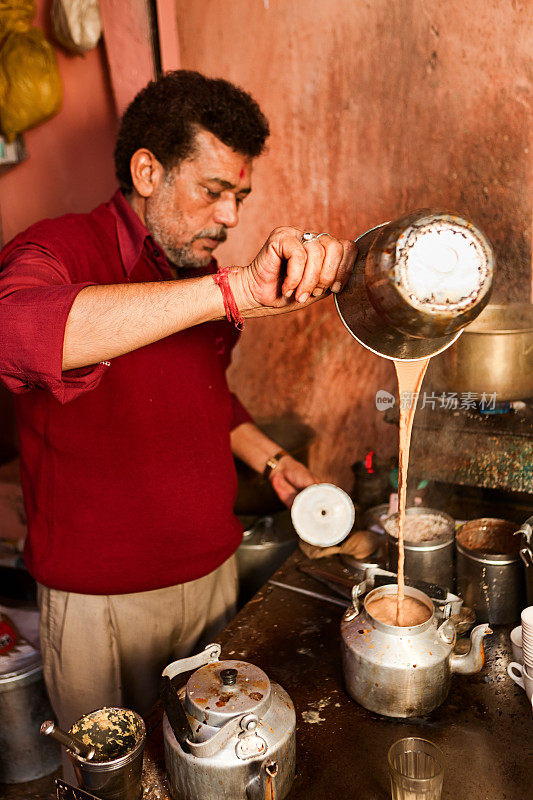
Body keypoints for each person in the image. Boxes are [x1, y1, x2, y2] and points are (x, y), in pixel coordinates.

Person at [0, 71, 355, 732]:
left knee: (208, 760)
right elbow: (17, 333)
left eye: (240, 197)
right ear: (146, 171)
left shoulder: (194, 273)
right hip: (102, 602)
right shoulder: (59, 249)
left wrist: (274, 462)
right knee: (121, 773)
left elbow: (206, 399)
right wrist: (235, 292)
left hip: (213, 581)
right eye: (213, 192)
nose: (230, 217)